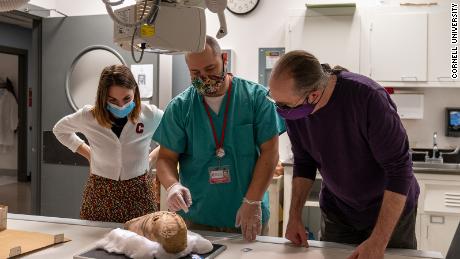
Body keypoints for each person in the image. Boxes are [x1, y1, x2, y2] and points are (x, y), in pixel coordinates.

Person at [268, 50, 419, 258]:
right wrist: (293, 216)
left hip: (387, 209)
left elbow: (400, 171)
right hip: (339, 211)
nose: (281, 111)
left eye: (285, 105)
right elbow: (304, 162)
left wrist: (378, 240)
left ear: (313, 95)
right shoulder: (295, 112)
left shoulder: (368, 98)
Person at [153, 36, 285, 241]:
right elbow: (165, 158)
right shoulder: (180, 107)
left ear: (224, 59)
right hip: (197, 215)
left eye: (210, 69)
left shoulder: (257, 98)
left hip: (247, 212)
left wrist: (252, 201)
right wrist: (172, 186)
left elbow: (270, 152)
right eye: (196, 73)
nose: (204, 78)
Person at [53, 64, 163, 223]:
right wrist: (88, 153)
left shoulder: (150, 115)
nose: (121, 105)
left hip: (139, 192)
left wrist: (151, 157)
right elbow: (60, 130)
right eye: (112, 100)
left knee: (140, 243)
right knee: (95, 240)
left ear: (135, 92)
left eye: (127, 98)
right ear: (103, 97)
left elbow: (176, 137)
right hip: (101, 191)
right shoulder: (89, 116)